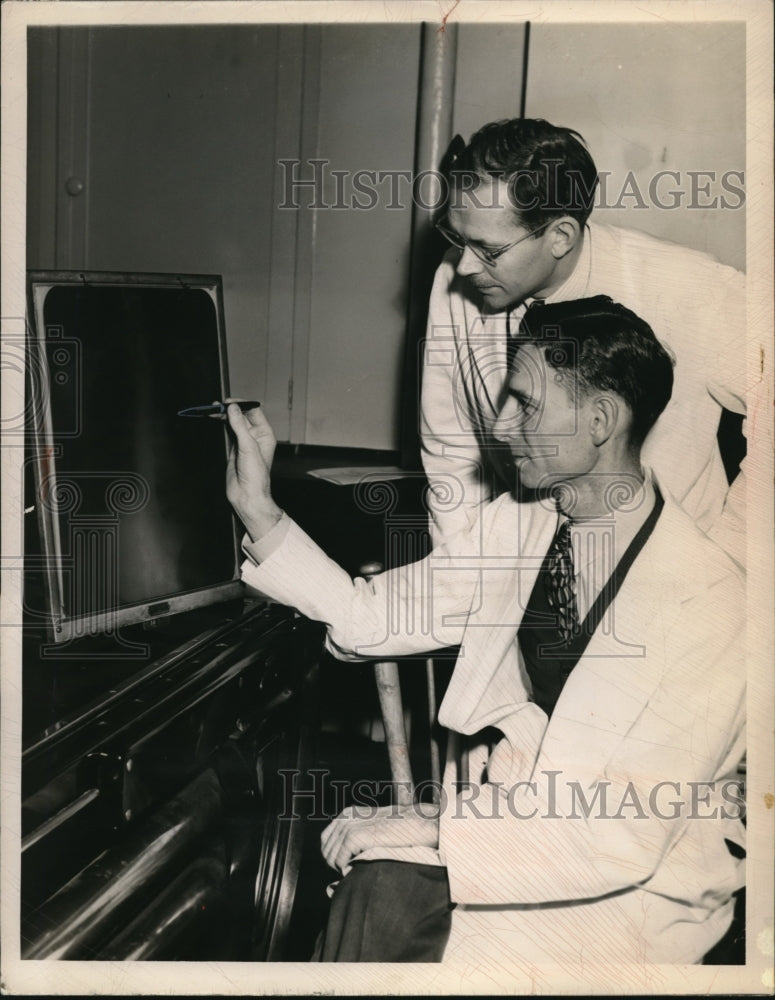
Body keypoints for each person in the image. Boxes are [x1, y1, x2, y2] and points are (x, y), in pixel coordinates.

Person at [225, 296, 745, 969]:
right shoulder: (524, 523)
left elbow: (616, 839)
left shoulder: (709, 602)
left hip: (630, 897)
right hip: (514, 835)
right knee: (373, 895)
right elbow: (372, 617)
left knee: (383, 901)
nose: (502, 426)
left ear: (598, 420)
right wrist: (260, 510)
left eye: (525, 404)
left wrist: (428, 824)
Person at [421, 119, 747, 566]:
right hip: (529, 571)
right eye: (458, 239)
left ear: (560, 236)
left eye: (488, 249)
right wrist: (459, 577)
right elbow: (449, 447)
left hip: (666, 577)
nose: (464, 267)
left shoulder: (690, 285)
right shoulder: (453, 278)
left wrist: (734, 554)